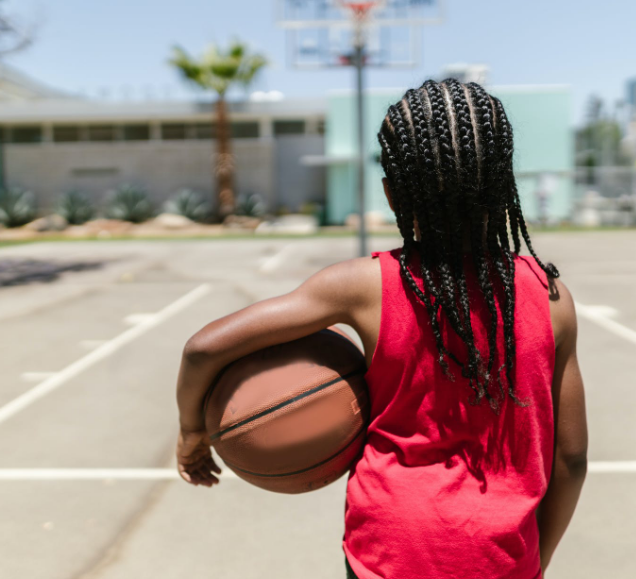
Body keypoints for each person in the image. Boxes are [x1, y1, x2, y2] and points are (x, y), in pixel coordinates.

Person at [174, 79, 588, 579]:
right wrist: (533, 562)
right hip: (500, 555)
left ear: (392, 192)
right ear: (503, 185)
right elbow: (571, 459)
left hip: (389, 551)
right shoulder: (550, 298)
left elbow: (203, 349)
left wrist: (193, 434)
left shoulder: (363, 286)